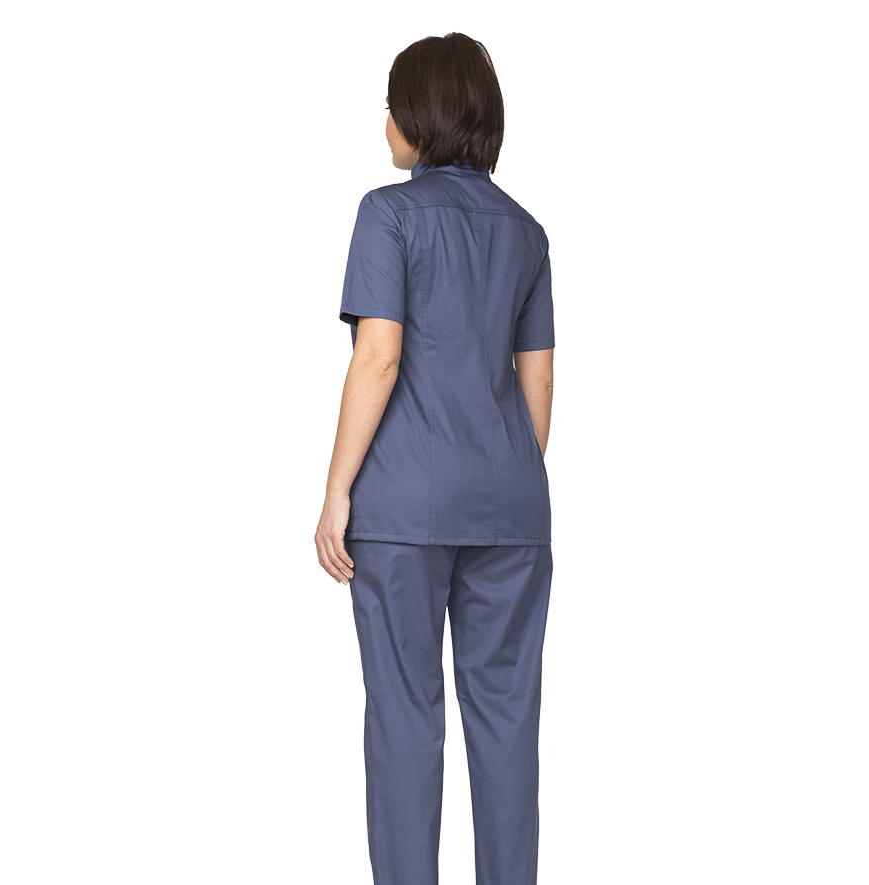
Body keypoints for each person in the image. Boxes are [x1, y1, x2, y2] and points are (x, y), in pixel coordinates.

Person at [314, 32, 555, 885]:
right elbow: (536, 383)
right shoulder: (527, 233)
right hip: (512, 507)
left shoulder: (387, 214)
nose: (385, 121)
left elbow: (378, 356)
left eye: (392, 105)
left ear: (419, 116)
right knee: (507, 722)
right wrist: (502, 476)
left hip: (403, 509)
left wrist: (336, 490)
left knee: (406, 721)